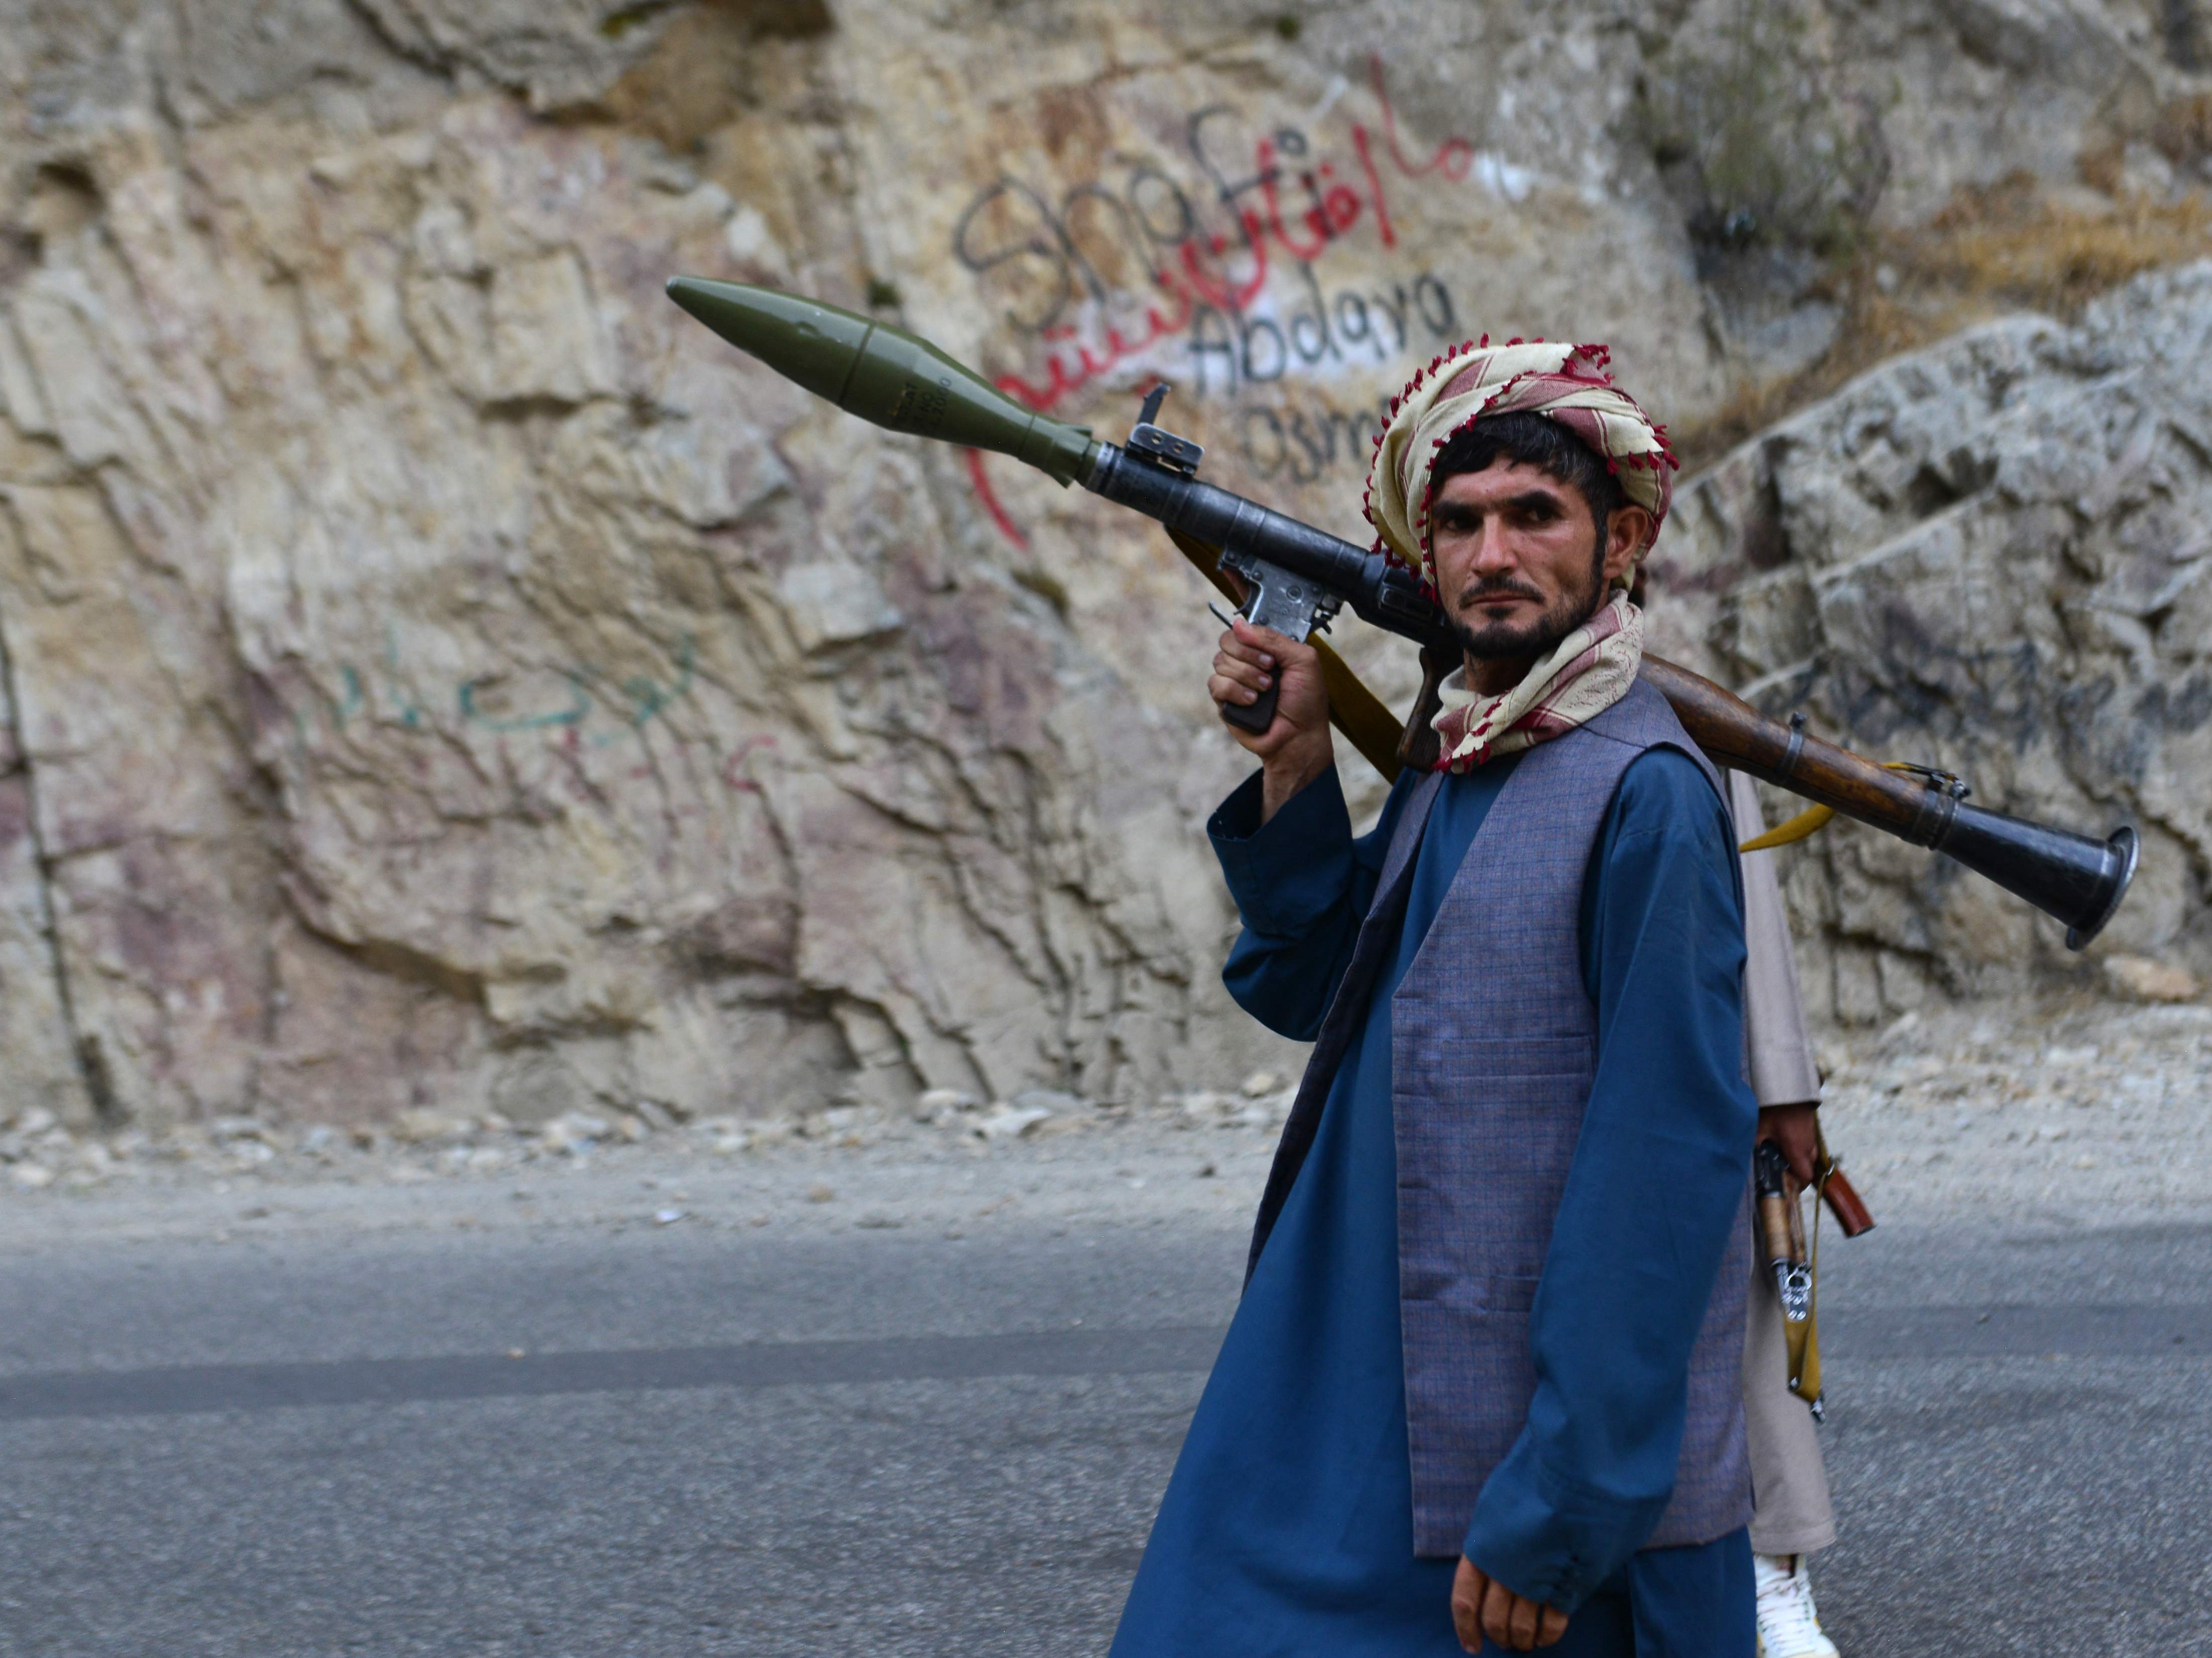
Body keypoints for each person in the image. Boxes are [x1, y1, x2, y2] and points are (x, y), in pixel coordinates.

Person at [1110, 340, 1758, 1657]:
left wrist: (1558, 1505)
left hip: (1520, 1457)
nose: (1491, 553)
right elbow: (1318, 989)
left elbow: (1660, 1179)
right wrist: (1296, 756)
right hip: (1353, 1404)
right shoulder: (1465, 739)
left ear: (1619, 539)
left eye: (1535, 515)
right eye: (1458, 522)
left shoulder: (1646, 795)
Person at [1731, 769, 1843, 1658]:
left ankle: (1775, 1576)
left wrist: (1783, 1083)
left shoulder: (1669, 706)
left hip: (1695, 1078)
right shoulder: (1461, 708)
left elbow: (1748, 893)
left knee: (1753, 1311)